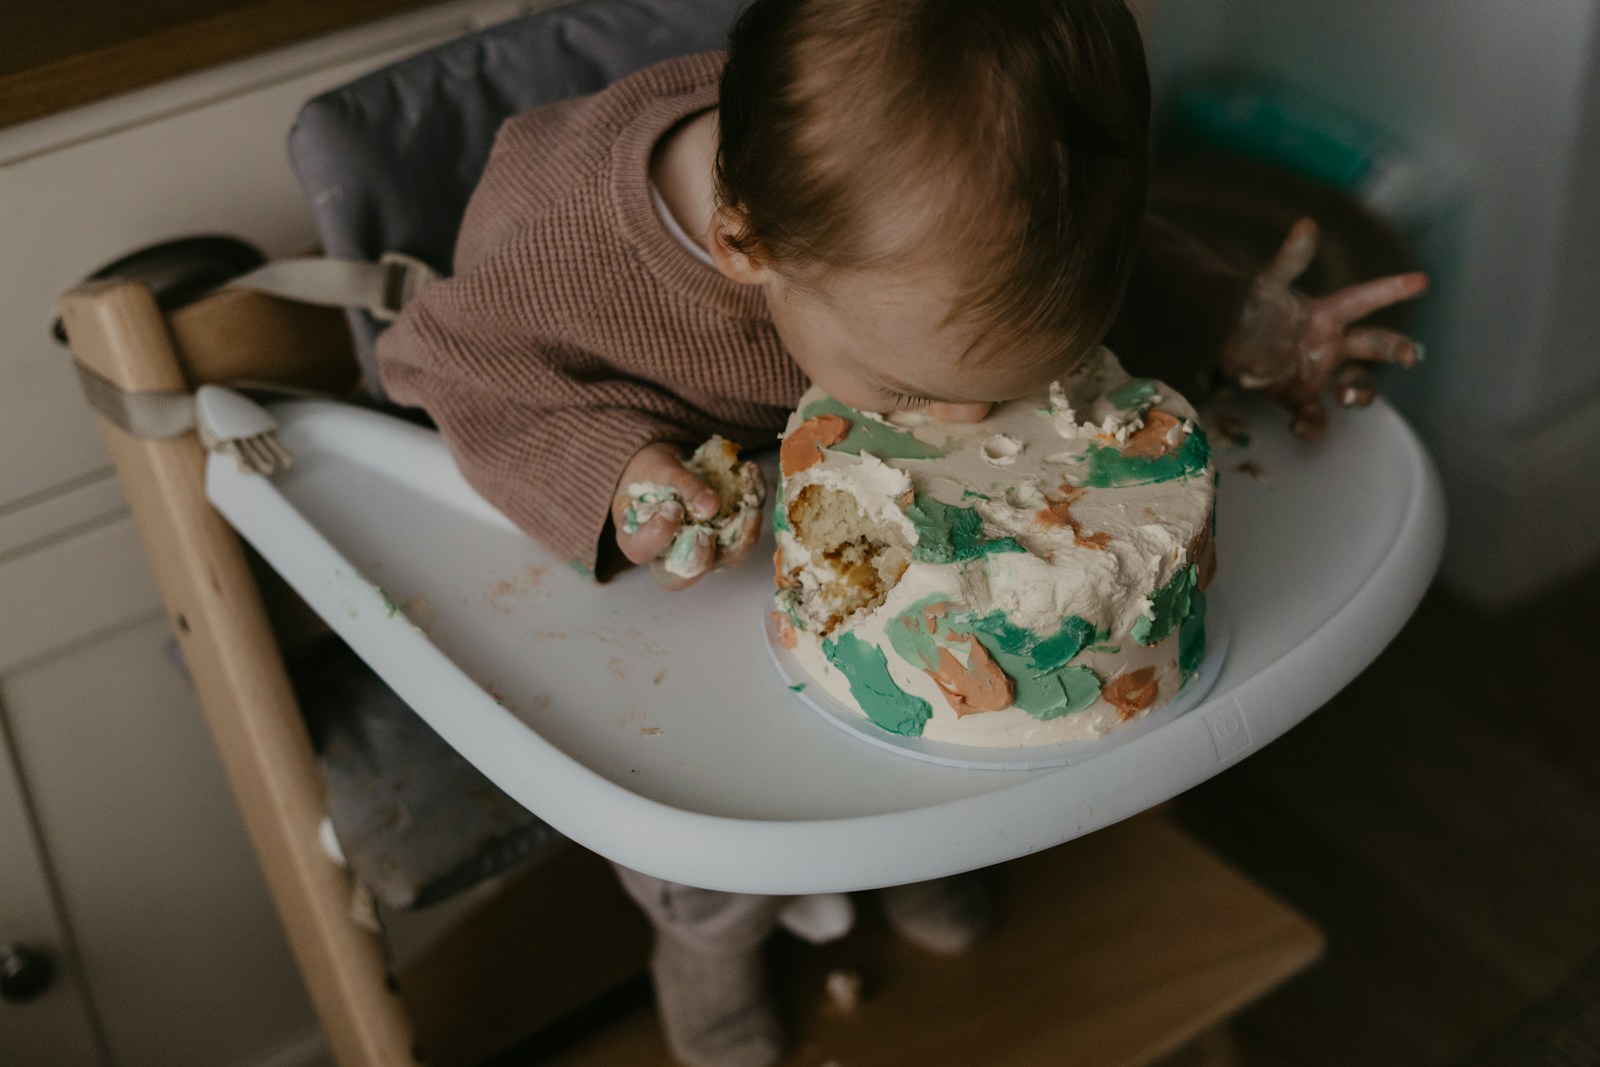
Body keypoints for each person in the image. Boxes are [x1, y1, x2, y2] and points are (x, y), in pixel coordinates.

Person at [376, 1, 1426, 1063]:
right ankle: (707, 938)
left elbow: (1113, 267)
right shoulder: (562, 246)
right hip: (692, 577)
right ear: (744, 243)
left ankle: (914, 843)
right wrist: (618, 470)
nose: (959, 423)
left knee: (936, 704)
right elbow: (447, 364)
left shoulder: (975, 205)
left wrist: (1222, 315)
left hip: (886, 579)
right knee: (706, 822)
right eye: (914, 387)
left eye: (1002, 386)